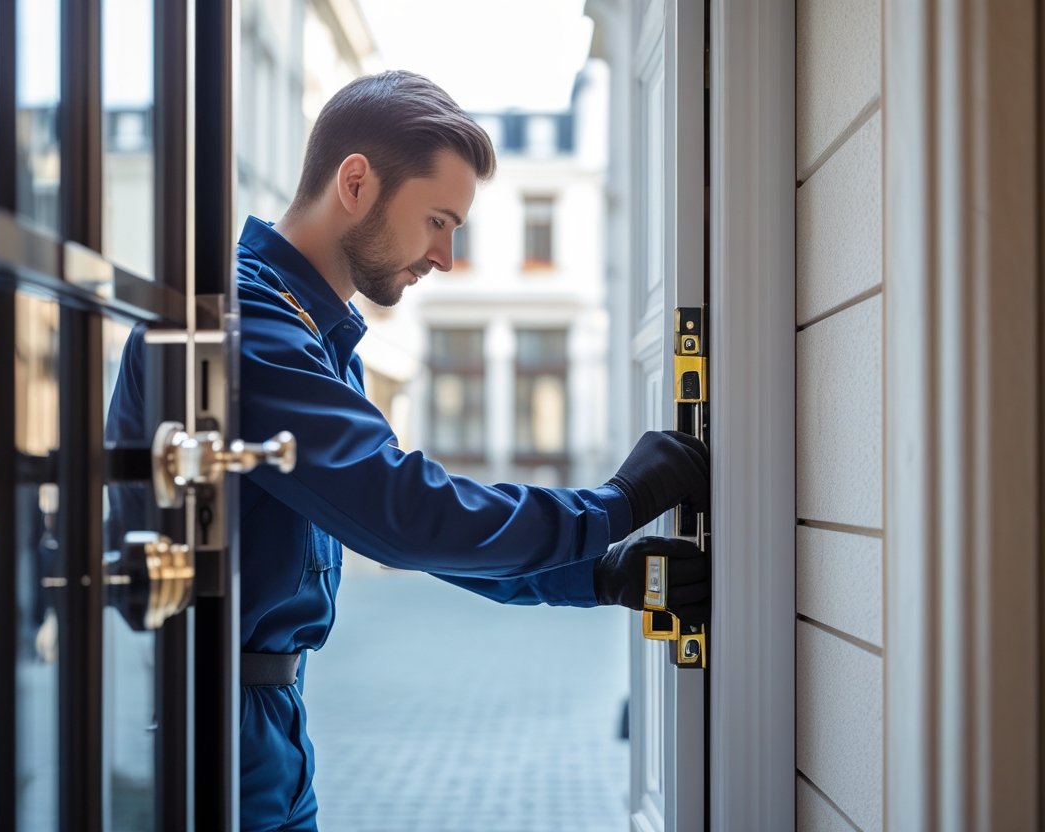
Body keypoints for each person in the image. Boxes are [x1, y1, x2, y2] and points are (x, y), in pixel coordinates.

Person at [108, 69, 709, 832]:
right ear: (355, 182)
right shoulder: (242, 322)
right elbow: (402, 512)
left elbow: (406, 528)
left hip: (265, 720)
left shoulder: (313, 334)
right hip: (214, 726)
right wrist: (612, 509)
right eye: (436, 220)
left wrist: (596, 574)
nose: (446, 256)